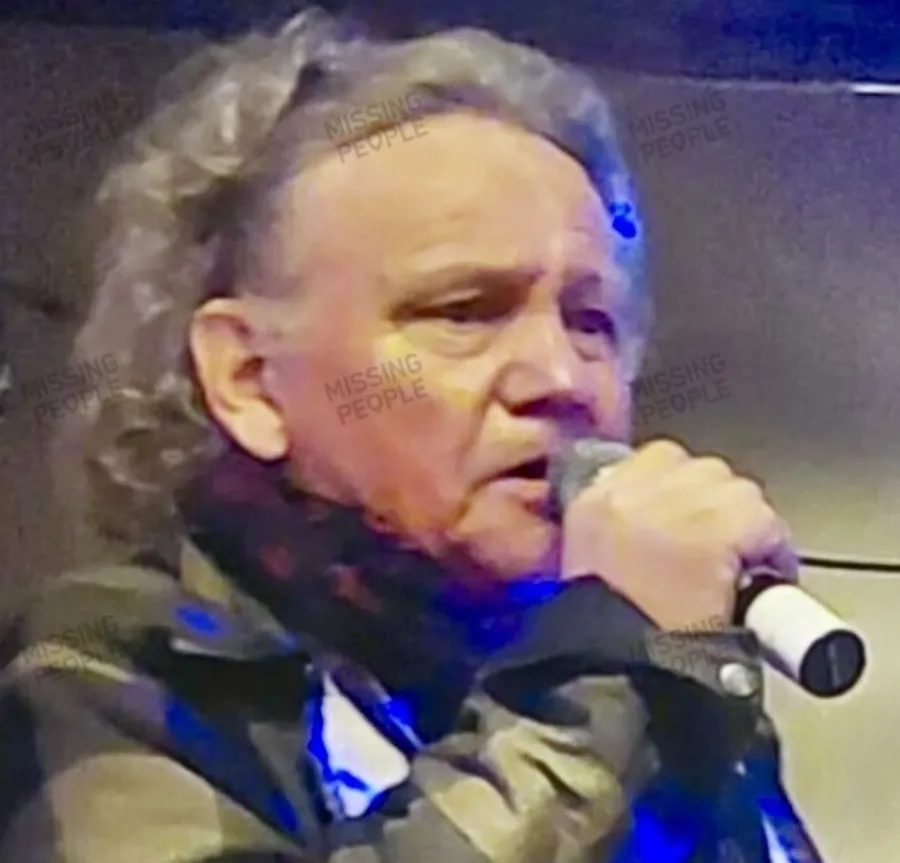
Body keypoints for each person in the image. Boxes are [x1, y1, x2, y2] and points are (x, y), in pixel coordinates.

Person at [0, 9, 802, 862]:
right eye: (464, 311)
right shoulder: (111, 670)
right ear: (250, 379)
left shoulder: (646, 680)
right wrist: (599, 683)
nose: (562, 378)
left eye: (591, 320)